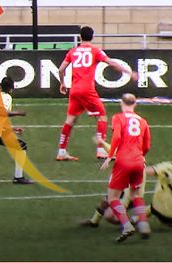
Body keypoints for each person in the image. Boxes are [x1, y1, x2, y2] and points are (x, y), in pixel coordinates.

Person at [56, 26, 138, 161]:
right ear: (92, 37)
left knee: (70, 120)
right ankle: (101, 150)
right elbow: (112, 63)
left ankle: (61, 151)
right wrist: (129, 72)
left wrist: (62, 83)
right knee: (102, 117)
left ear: (80, 37)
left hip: (74, 90)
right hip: (87, 90)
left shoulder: (73, 51)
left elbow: (61, 69)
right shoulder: (95, 51)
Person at [98, 93, 151, 242]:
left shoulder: (118, 118)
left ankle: (127, 226)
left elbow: (117, 137)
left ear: (121, 103)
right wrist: (140, 155)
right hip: (139, 161)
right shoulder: (143, 121)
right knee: (136, 195)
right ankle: (143, 224)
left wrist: (110, 156)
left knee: (113, 197)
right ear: (135, 104)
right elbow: (147, 145)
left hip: (123, 161)